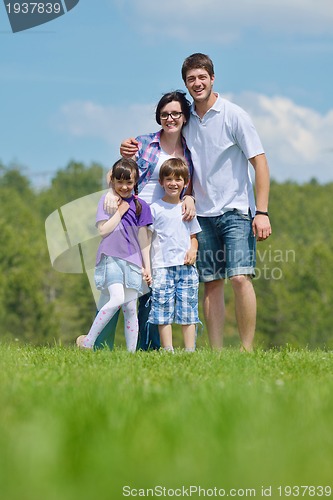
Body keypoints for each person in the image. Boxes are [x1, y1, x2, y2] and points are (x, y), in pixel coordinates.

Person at [120, 53, 272, 352]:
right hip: (199, 214)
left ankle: (246, 349)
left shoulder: (234, 115)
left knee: (240, 279)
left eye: (202, 77)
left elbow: (261, 164)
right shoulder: (187, 120)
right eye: (191, 79)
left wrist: (262, 211)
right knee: (211, 283)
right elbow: (164, 133)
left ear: (213, 78)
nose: (197, 83)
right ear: (186, 83)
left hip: (236, 210)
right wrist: (130, 145)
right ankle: (215, 353)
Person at [102, 90, 196, 351]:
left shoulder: (191, 149)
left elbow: (191, 184)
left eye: (176, 113)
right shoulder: (143, 143)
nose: (170, 118)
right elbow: (117, 172)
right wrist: (112, 193)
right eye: (165, 114)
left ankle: (149, 347)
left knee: (155, 284)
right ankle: (99, 342)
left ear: (185, 117)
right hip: (136, 219)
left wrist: (191, 199)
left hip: (169, 225)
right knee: (125, 282)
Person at [76, 158, 152, 351]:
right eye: (120, 182)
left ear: (135, 182)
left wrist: (147, 266)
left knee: (130, 308)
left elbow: (144, 239)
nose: (124, 187)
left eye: (129, 182)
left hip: (133, 261)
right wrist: (119, 211)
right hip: (111, 256)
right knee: (117, 298)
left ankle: (131, 355)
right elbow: (103, 231)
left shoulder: (141, 206)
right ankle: (88, 341)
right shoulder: (108, 201)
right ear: (113, 182)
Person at [148, 158, 201, 352]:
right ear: (161, 182)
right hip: (162, 266)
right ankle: (167, 349)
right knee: (162, 308)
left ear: (185, 183)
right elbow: (146, 238)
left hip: (186, 267)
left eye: (178, 179)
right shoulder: (154, 208)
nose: (173, 183)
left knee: (188, 308)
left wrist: (193, 250)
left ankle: (190, 350)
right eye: (168, 179)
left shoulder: (186, 209)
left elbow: (194, 237)